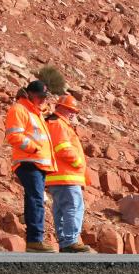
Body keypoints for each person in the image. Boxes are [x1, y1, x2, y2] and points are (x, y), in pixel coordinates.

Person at [5, 80, 57, 253]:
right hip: (28, 162)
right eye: (40, 96)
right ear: (30, 94)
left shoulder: (36, 112)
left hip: (38, 163)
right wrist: (33, 148)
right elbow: (14, 136)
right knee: (36, 199)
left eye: (45, 97)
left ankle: (33, 241)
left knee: (34, 199)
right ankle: (35, 240)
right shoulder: (19, 109)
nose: (43, 100)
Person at [45, 95, 91, 253]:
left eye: (74, 111)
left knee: (61, 209)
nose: (73, 113)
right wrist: (78, 162)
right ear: (60, 107)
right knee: (73, 207)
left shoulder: (55, 123)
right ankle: (70, 240)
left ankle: (65, 242)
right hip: (66, 175)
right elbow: (63, 148)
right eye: (70, 110)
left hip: (59, 176)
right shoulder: (58, 124)